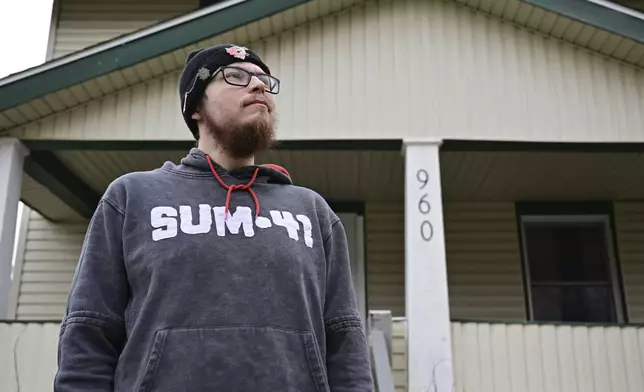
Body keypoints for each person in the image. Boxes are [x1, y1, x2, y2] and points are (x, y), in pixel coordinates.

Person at [53, 43, 374, 391]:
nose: (258, 86)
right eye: (235, 76)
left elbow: (344, 342)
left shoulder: (313, 212)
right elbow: (89, 332)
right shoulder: (132, 198)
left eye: (264, 79)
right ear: (196, 108)